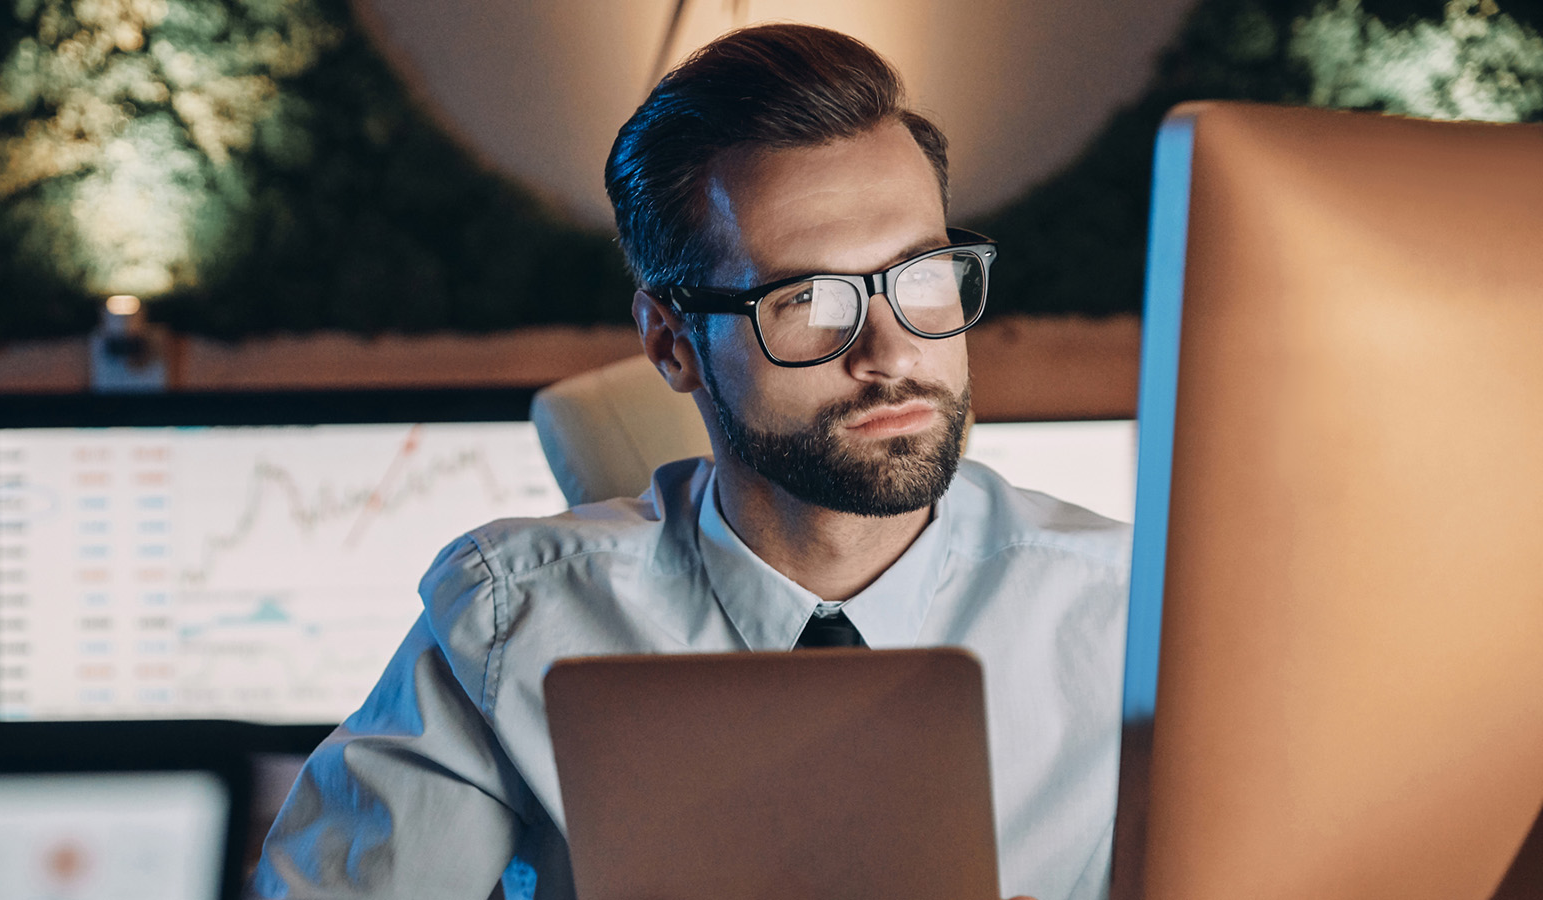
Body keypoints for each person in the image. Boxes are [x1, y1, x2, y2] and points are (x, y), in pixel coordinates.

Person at [254, 23, 1128, 900]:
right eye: (808, 299)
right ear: (671, 343)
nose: (892, 352)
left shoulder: (1130, 620)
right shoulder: (512, 620)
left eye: (923, 273)